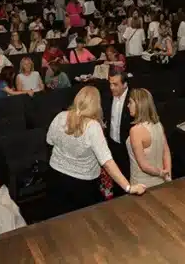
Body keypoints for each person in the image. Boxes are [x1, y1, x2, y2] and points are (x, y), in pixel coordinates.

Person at [46, 86, 146, 217]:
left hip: (56, 177)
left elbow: (49, 141)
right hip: (82, 184)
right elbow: (107, 162)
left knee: (58, 219)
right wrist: (128, 187)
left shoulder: (60, 117)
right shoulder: (92, 126)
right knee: (85, 221)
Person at [127, 88, 171, 188]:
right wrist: (167, 174)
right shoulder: (158, 125)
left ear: (139, 104)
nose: (128, 105)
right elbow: (166, 152)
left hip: (141, 185)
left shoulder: (135, 131)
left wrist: (161, 173)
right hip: (161, 182)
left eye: (130, 102)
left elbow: (143, 165)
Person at [103, 68, 132, 196]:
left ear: (125, 85)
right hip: (112, 144)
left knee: (127, 178)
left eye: (115, 84)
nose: (111, 87)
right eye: (110, 84)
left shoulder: (133, 98)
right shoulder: (107, 96)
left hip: (128, 147)